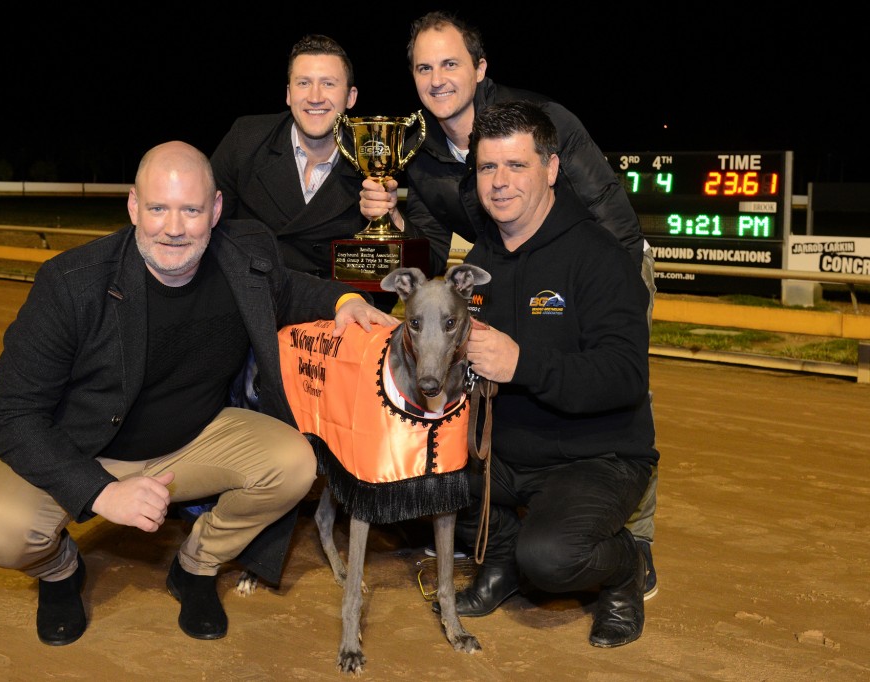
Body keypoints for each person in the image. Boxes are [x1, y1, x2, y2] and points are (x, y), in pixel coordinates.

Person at [0, 141, 396, 646]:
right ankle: (60, 572)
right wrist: (101, 491)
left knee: (293, 464)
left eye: (191, 209)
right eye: (158, 208)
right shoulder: (70, 284)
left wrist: (344, 298)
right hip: (83, 447)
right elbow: (10, 414)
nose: (174, 227)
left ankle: (195, 565)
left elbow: (290, 288)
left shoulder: (245, 253)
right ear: (133, 207)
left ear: (215, 210)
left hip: (193, 439)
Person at [359, 10, 659, 597]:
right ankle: (495, 537)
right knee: (495, 399)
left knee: (616, 389)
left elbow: (604, 204)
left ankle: (634, 542)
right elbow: (441, 242)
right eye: (425, 67)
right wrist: (394, 221)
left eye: (450, 63)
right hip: (508, 255)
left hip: (602, 255)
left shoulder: (539, 121)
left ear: (480, 68)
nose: (438, 77)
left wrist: (620, 281)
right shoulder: (417, 149)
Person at [438, 100, 657, 648]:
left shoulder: (599, 256)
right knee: (421, 474)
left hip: (595, 454)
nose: (500, 182)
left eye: (517, 166)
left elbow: (625, 375)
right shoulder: (481, 257)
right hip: (508, 452)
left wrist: (523, 364)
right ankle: (504, 559)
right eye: (488, 167)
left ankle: (626, 566)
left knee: (554, 559)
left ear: (552, 169)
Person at [210, 34, 397, 313]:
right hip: (253, 307)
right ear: (288, 93)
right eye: (303, 83)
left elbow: (389, 274)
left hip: (336, 318)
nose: (315, 97)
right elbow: (207, 226)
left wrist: (393, 219)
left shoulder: (374, 158)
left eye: (328, 84)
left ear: (350, 97)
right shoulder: (245, 141)